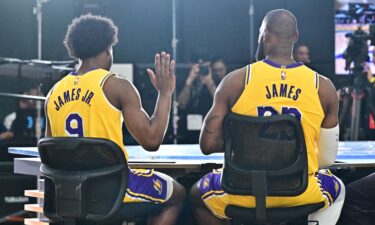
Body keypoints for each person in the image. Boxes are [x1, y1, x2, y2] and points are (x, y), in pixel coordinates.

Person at [190, 9, 345, 225]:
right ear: (296, 36)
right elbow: (326, 160)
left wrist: (246, 144)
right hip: (300, 190)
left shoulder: (235, 81)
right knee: (339, 189)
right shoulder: (324, 87)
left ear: (265, 36)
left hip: (242, 190)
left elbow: (207, 145)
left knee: (196, 195)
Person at [44, 14, 185, 225]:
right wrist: (165, 93)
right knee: (179, 194)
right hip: (112, 190)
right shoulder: (115, 85)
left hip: (69, 193)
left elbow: (53, 152)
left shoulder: (53, 93)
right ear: (108, 47)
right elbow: (152, 140)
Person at [177, 58, 227, 143]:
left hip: (210, 130)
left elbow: (223, 103)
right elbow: (181, 104)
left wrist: (209, 82)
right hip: (187, 131)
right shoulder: (187, 80)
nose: (201, 71)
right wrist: (189, 81)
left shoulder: (220, 83)